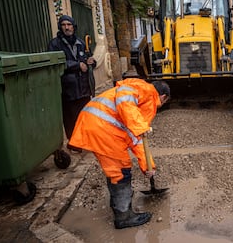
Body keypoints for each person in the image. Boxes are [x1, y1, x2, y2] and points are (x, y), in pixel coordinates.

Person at [68, 78, 170, 229]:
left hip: (99, 127)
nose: (160, 106)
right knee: (120, 171)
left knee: (115, 170)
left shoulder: (140, 103)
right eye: (163, 102)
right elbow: (124, 98)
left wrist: (148, 166)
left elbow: (137, 140)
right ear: (163, 96)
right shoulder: (145, 91)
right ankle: (123, 216)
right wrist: (139, 126)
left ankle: (118, 203)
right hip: (103, 129)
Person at [48, 15, 96, 152]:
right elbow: (56, 62)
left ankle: (85, 140)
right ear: (60, 27)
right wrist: (77, 65)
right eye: (64, 25)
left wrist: (92, 61)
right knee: (70, 118)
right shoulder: (55, 44)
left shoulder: (81, 42)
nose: (67, 27)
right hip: (68, 88)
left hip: (83, 87)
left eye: (69, 24)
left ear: (74, 27)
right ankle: (74, 143)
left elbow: (87, 58)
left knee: (85, 115)